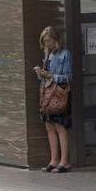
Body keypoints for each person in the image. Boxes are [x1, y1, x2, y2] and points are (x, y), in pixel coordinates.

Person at [35, 26, 72, 173]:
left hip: (58, 94)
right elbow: (46, 76)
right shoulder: (47, 54)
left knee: (60, 127)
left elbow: (68, 77)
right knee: (49, 127)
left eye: (49, 41)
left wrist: (51, 76)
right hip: (47, 93)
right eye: (44, 41)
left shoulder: (65, 54)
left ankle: (64, 161)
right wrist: (41, 73)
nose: (47, 44)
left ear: (56, 40)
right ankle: (54, 160)